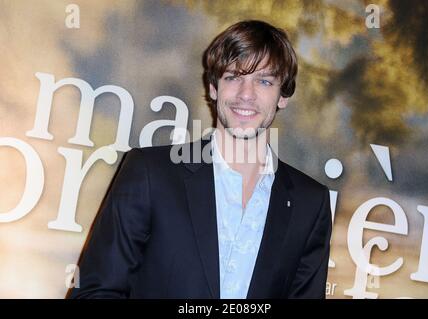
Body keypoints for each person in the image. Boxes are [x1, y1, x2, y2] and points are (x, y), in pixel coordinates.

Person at [67, 20, 332, 299]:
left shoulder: (309, 204)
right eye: (233, 77)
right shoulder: (151, 173)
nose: (246, 94)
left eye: (264, 81)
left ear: (283, 96)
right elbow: (94, 293)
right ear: (213, 88)